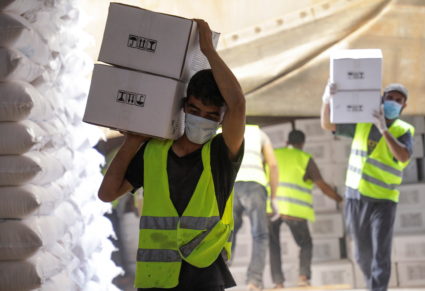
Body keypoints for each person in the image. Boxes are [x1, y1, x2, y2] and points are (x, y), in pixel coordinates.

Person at [98, 19, 246, 291]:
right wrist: (133, 141)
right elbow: (107, 193)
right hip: (157, 277)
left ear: (221, 119)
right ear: (183, 107)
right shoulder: (154, 152)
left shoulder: (221, 155)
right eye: (195, 110)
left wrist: (208, 52)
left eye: (211, 116)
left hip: (205, 273)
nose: (202, 120)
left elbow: (237, 103)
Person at [320, 82, 414, 291]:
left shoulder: (403, 130)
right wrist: (327, 100)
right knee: (362, 255)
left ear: (404, 106)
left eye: (398, 101)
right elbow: (328, 125)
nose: (393, 103)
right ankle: (372, 286)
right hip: (356, 198)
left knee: (381, 253)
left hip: (384, 201)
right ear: (382, 98)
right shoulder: (362, 123)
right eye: (390, 98)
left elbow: (403, 156)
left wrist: (384, 130)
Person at [268, 129, 343, 288]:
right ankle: (303, 277)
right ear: (302, 144)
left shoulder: (274, 154)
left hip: (271, 209)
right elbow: (322, 186)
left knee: (273, 245)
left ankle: (278, 282)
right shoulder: (305, 158)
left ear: (286, 143)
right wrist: (339, 199)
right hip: (294, 211)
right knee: (305, 244)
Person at [231, 124, 279, 291]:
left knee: (226, 233)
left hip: (232, 185)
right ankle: (254, 282)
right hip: (256, 185)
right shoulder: (259, 132)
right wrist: (273, 197)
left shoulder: (221, 130)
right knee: (260, 235)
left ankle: (218, 278)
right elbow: (272, 165)